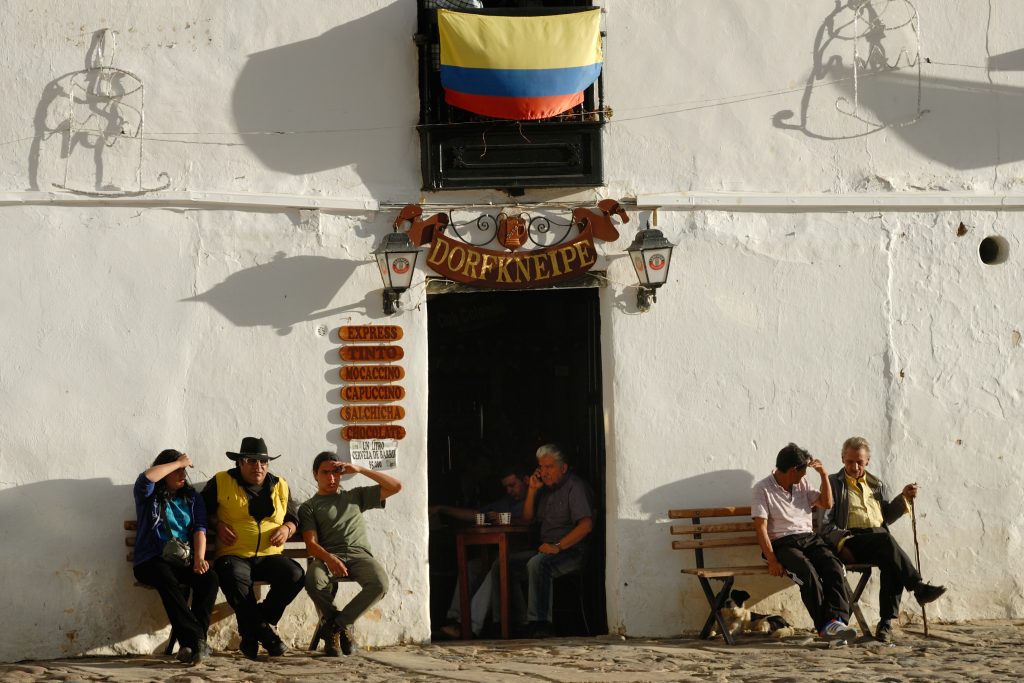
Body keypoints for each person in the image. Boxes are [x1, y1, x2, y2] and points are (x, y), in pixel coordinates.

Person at [818, 436, 947, 642]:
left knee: (891, 559)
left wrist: (903, 497)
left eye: (860, 461)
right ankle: (918, 587)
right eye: (850, 461)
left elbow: (886, 516)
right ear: (842, 459)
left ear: (867, 461)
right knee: (887, 542)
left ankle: (885, 624)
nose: (855, 466)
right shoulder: (833, 484)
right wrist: (841, 540)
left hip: (877, 540)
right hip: (850, 540)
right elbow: (824, 524)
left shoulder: (876, 484)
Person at [201, 437, 304, 660]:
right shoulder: (221, 481)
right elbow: (200, 511)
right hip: (234, 555)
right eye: (251, 461)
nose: (258, 467)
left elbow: (294, 516)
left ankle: (253, 629)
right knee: (232, 577)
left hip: (269, 556)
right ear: (240, 462)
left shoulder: (280, 485)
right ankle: (267, 636)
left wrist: (287, 528)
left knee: (294, 574)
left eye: (264, 462)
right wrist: (216, 525)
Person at [752, 443, 857, 643]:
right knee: (807, 573)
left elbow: (826, 503)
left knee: (834, 566)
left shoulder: (802, 485)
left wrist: (824, 476)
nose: (804, 476)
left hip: (809, 538)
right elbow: (761, 528)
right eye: (803, 471)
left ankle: (837, 621)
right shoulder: (762, 489)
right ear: (793, 470)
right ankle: (826, 626)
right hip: (783, 543)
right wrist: (773, 560)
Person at [299, 452, 402, 656]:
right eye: (325, 473)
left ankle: (336, 626)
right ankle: (342, 627)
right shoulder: (309, 507)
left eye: (336, 473)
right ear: (315, 475)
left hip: (359, 556)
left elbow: (395, 487)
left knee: (380, 584)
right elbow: (311, 544)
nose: (331, 478)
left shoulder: (355, 496)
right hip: (328, 556)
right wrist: (330, 559)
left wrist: (360, 469)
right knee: (313, 581)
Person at [132, 449, 218, 665]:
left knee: (209, 579)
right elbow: (146, 478)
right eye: (177, 470)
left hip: (182, 560)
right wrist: (177, 461)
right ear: (165, 471)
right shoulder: (147, 494)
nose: (182, 475)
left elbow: (200, 529)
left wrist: (199, 558)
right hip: (149, 560)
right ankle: (197, 638)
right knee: (164, 575)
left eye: (183, 471)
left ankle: (192, 646)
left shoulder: (192, 498)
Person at [500, 444, 593, 638]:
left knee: (538, 564)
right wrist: (533, 490)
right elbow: (526, 520)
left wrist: (558, 547)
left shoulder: (574, 487)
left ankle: (540, 624)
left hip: (571, 550)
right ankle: (515, 622)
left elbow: (586, 526)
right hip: (547, 549)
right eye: (541, 467)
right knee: (502, 565)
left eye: (549, 467)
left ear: (563, 468)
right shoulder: (545, 490)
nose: (544, 472)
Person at [430, 467, 529, 638]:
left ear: (526, 480)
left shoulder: (536, 498)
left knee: (497, 569)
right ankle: (454, 618)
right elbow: (477, 514)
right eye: (506, 487)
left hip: (525, 553)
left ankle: (467, 624)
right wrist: (442, 509)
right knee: (471, 567)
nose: (509, 490)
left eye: (513, 485)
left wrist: (510, 519)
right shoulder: (507, 502)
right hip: (502, 551)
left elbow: (531, 520)